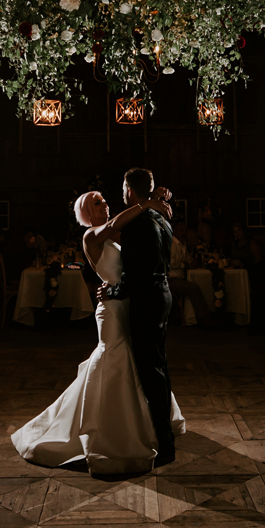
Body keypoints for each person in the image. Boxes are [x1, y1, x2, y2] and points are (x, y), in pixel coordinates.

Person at [11, 185, 184, 475]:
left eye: (104, 200)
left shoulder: (115, 232)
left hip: (126, 302)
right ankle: (111, 430)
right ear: (85, 213)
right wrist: (147, 203)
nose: (104, 205)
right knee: (114, 362)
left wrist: (158, 203)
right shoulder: (91, 235)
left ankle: (148, 424)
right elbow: (117, 224)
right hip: (113, 311)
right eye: (96, 203)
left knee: (136, 363)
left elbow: (137, 246)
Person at [112, 169, 180, 465]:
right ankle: (163, 433)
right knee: (160, 366)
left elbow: (135, 273)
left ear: (129, 190)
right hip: (163, 294)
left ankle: (164, 445)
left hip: (147, 299)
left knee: (151, 372)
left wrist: (114, 291)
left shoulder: (136, 225)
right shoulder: (161, 218)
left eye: (124, 187)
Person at [167, 220, 211, 324]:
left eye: (184, 231)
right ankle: (204, 317)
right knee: (193, 287)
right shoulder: (171, 244)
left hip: (180, 277)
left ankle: (204, 314)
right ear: (174, 231)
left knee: (201, 284)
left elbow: (187, 260)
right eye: (181, 230)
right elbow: (170, 263)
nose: (183, 233)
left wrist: (191, 262)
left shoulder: (183, 244)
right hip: (170, 279)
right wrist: (184, 265)